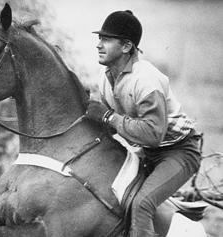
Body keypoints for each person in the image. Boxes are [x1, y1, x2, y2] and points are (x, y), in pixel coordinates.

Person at [86, 10, 202, 237]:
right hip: (148, 152)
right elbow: (112, 125)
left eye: (106, 40)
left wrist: (107, 116)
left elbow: (152, 134)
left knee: (142, 204)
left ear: (127, 46)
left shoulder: (146, 79)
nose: (98, 45)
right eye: (99, 39)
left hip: (178, 153)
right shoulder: (105, 76)